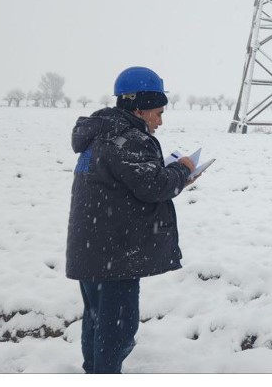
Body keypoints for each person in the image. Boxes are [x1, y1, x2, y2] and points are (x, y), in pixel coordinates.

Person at [66, 66, 199, 374]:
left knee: (97, 319)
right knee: (118, 327)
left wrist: (172, 176)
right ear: (140, 108)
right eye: (158, 113)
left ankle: (95, 371)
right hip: (115, 252)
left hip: (92, 248)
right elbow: (154, 186)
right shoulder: (127, 139)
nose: (160, 121)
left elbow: (135, 182)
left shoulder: (99, 135)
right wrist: (183, 169)